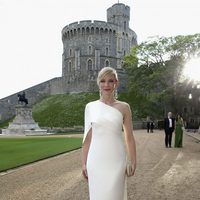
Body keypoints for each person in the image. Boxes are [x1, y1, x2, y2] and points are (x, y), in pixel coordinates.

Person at [82, 67, 136, 200]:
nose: (106, 85)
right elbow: (87, 138)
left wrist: (133, 160)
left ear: (116, 83)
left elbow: (129, 137)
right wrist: (84, 163)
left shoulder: (124, 107)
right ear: (98, 83)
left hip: (117, 161)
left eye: (110, 81)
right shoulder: (90, 107)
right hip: (95, 161)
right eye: (103, 81)